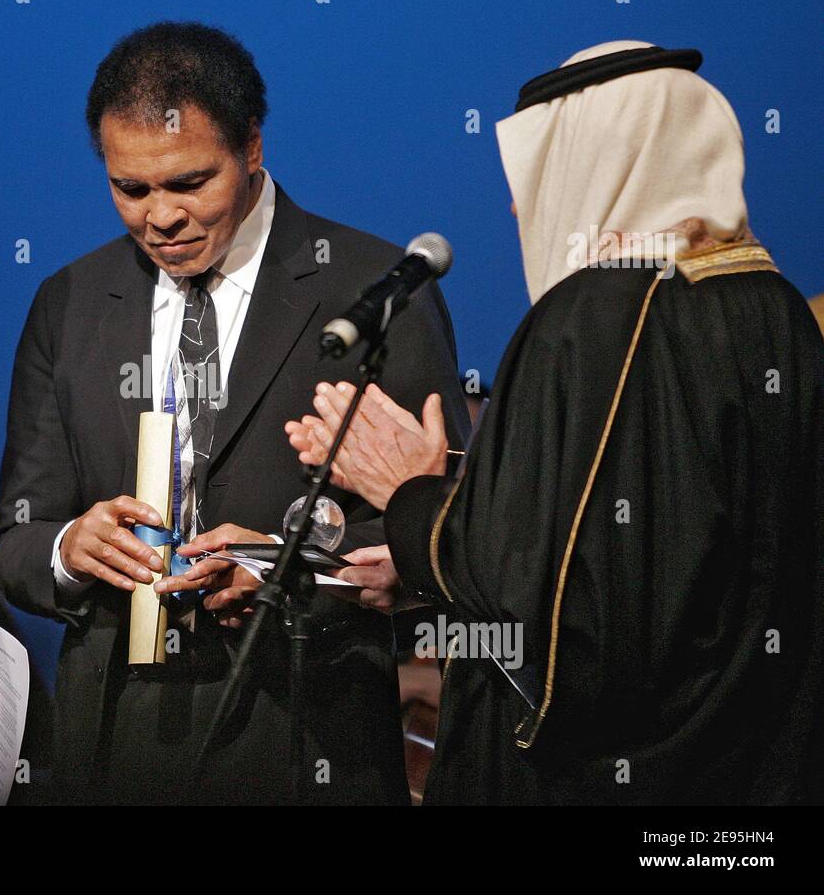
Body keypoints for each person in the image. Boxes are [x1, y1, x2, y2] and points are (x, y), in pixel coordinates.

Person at [287, 41, 824, 804]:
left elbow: (582, 624)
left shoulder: (596, 318)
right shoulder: (782, 317)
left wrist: (412, 499)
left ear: (601, 163)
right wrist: (433, 552)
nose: (517, 205)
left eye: (540, 173)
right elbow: (657, 565)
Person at [0, 21, 469, 805]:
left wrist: (290, 563)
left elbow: (446, 532)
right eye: (130, 189)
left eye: (189, 183)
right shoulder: (68, 302)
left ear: (252, 146)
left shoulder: (376, 292)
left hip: (310, 732)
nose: (160, 217)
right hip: (113, 743)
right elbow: (17, 538)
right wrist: (71, 547)